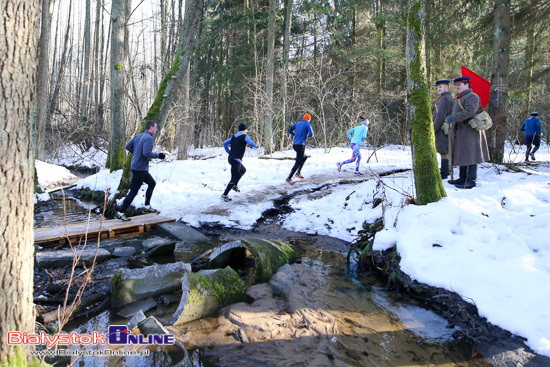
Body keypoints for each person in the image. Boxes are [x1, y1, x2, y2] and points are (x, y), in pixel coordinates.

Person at [115, 120, 166, 221]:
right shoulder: (149, 138)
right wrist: (159, 156)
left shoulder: (138, 136)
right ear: (151, 128)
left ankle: (147, 207)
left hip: (137, 167)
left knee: (152, 183)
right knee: (133, 192)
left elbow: (128, 146)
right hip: (140, 169)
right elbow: (146, 153)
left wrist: (136, 153)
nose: (156, 129)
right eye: (155, 127)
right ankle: (120, 212)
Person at [445, 77, 489, 189]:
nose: (457, 87)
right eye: (456, 85)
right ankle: (463, 177)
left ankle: (471, 180)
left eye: (459, 85)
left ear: (467, 85)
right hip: (462, 131)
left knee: (471, 155)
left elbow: (470, 111)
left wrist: (453, 118)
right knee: (463, 154)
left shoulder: (472, 96)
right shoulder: (461, 98)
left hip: (470, 131)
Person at [221, 123, 258, 202]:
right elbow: (251, 143)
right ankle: (224, 194)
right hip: (236, 160)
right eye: (246, 129)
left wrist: (229, 152)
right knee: (234, 178)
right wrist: (257, 146)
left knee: (243, 170)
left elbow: (224, 143)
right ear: (244, 130)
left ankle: (234, 185)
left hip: (231, 159)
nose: (247, 131)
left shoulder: (233, 137)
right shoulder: (244, 136)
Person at [432, 80, 454, 179]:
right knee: (444, 150)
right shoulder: (444, 98)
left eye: (441, 87)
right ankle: (446, 171)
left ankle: (444, 173)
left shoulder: (445, 98)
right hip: (444, 126)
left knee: (444, 150)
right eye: (438, 87)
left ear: (447, 87)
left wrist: (433, 129)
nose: (438, 89)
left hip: (443, 127)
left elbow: (440, 116)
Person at [286, 113, 315, 185]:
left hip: (295, 144)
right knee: (298, 161)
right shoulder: (308, 124)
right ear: (309, 119)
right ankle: (289, 178)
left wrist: (295, 135)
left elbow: (289, 130)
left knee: (304, 157)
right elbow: (312, 135)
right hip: (301, 145)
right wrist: (307, 135)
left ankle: (298, 172)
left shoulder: (297, 123)